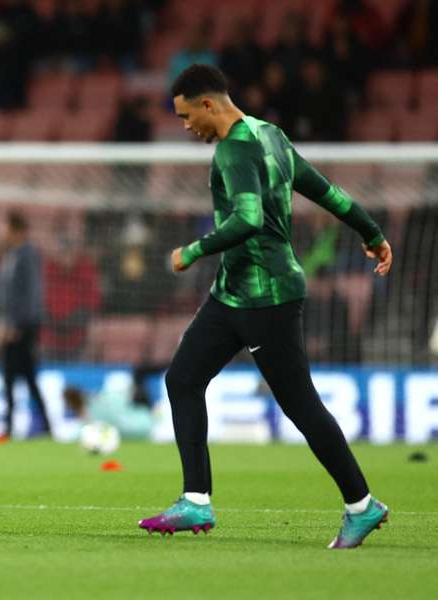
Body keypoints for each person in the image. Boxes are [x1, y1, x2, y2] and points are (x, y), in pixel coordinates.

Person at [138, 65, 393, 549]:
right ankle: (195, 500)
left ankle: (362, 505)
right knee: (183, 379)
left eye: (187, 115)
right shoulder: (270, 135)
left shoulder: (234, 148)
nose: (186, 126)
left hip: (265, 296)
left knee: (300, 404)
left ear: (208, 104)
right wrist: (372, 233)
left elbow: (249, 219)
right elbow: (328, 192)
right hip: (232, 292)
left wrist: (191, 251)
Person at [0, 212, 52, 443]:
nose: (3, 233)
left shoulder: (27, 255)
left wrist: (16, 324)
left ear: (16, 230)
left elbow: (31, 293)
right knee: (24, 377)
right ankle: (43, 426)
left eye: (6, 228)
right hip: (15, 325)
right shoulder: (12, 255)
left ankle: (11, 427)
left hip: (23, 327)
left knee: (14, 375)